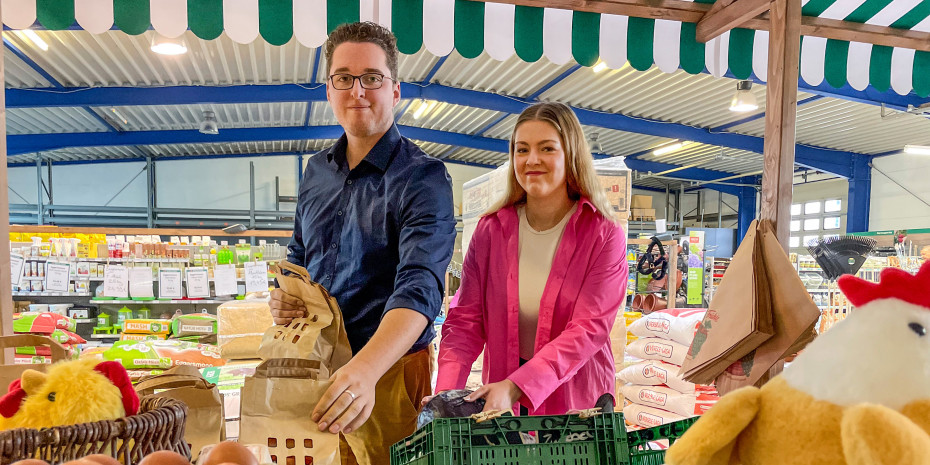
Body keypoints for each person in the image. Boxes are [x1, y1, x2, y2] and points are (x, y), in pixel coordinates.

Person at [269, 22, 456, 464]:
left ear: (394, 91)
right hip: (316, 361)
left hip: (388, 370)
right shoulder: (316, 170)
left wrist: (365, 371)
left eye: (372, 78)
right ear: (329, 90)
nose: (358, 91)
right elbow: (299, 255)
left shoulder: (423, 178)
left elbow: (421, 286)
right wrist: (283, 296)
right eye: (344, 78)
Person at [433, 102, 628, 415]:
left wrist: (517, 387)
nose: (532, 160)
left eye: (547, 148)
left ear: (571, 154)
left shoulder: (603, 234)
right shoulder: (491, 231)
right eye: (522, 150)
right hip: (500, 399)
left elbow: (588, 329)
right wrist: (445, 395)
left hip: (574, 401)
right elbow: (466, 321)